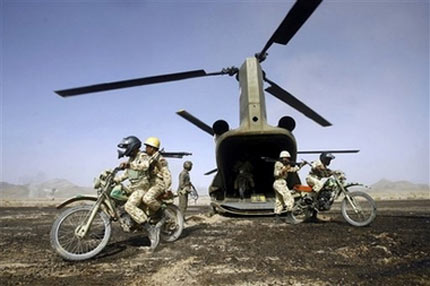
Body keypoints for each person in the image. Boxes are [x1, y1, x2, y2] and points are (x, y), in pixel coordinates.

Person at [115, 135, 160, 249]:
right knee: (116, 196)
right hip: (133, 187)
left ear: (133, 146)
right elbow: (126, 174)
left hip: (142, 187)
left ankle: (151, 229)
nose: (126, 151)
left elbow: (145, 166)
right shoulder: (131, 159)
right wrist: (114, 179)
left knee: (129, 206)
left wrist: (130, 165)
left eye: (127, 147)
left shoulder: (143, 156)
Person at [273, 150, 304, 223]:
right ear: (283, 158)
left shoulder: (285, 165)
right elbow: (276, 174)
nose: (288, 159)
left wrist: (301, 165)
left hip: (281, 183)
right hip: (279, 182)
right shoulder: (278, 164)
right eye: (286, 158)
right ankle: (289, 217)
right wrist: (284, 169)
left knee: (279, 201)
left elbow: (293, 170)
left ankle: (277, 218)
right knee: (289, 199)